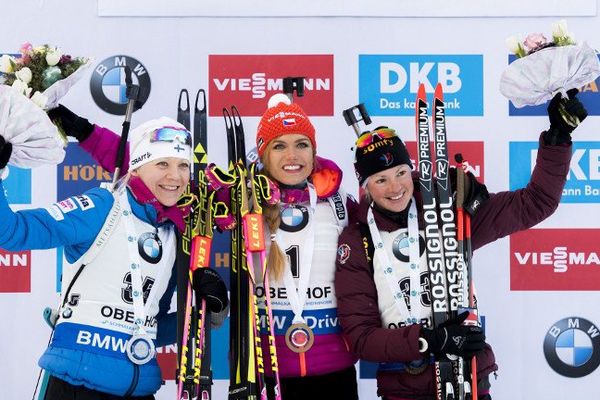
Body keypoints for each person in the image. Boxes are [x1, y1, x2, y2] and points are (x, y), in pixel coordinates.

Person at [334, 90, 588, 400]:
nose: (395, 187)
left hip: (467, 380)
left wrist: (557, 140)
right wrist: (432, 340)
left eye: (401, 173)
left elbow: (536, 203)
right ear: (366, 186)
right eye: (381, 179)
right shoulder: (357, 239)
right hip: (405, 387)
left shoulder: (448, 215)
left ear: (412, 171)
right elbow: (362, 338)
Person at [0, 116, 228, 399]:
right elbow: (11, 231)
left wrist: (208, 312)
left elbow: (155, 327)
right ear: (137, 166)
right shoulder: (102, 206)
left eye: (183, 165)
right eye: (162, 164)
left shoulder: (176, 233)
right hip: (75, 385)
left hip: (140, 388)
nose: (175, 176)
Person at [252, 95, 359, 400]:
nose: (292, 155)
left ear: (313, 152)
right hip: (268, 369)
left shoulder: (339, 203)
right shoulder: (245, 204)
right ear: (263, 155)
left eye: (301, 144)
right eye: (279, 145)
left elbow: (392, 217)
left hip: (334, 369)